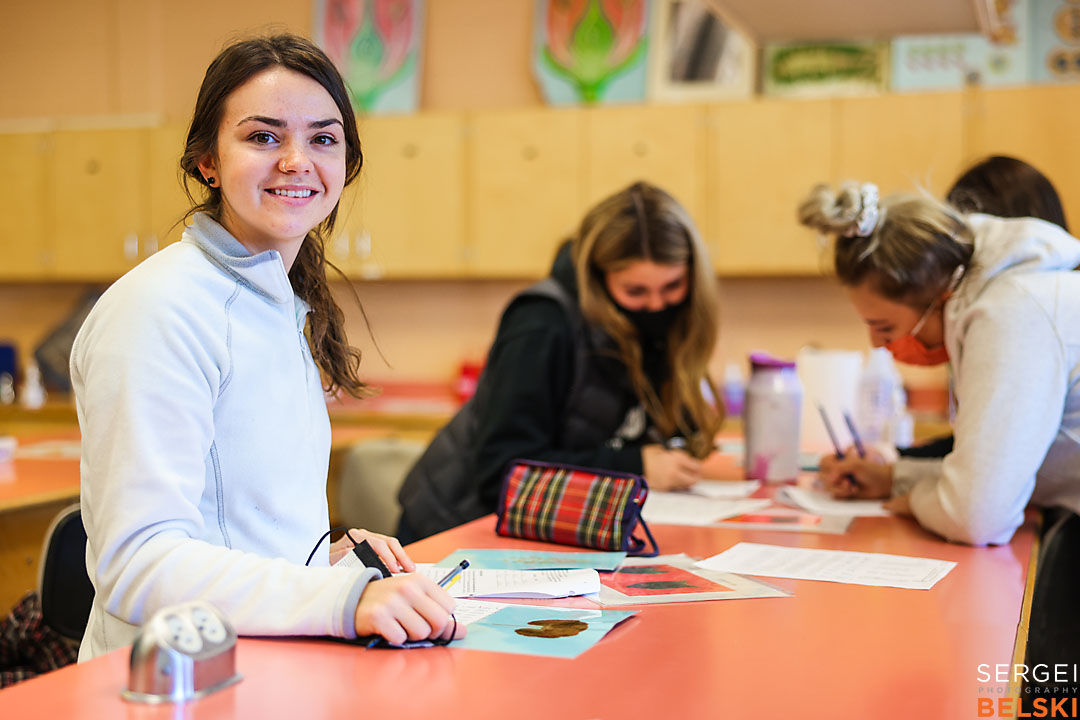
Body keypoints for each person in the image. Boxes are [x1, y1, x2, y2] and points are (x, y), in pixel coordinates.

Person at [70, 34, 462, 661]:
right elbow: (137, 563)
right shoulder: (159, 309)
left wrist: (323, 561)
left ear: (345, 165)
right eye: (263, 137)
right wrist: (339, 600)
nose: (296, 161)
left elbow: (232, 519)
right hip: (171, 684)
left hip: (269, 663)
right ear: (208, 162)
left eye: (322, 139)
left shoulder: (274, 303)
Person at [397, 181, 724, 542]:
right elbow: (505, 470)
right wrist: (636, 467)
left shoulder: (658, 324)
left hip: (546, 530)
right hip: (457, 527)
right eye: (636, 291)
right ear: (599, 278)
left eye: (673, 286)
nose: (657, 305)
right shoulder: (542, 322)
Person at [798, 180, 1080, 546]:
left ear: (940, 296)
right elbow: (1000, 472)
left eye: (884, 327)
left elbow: (977, 516)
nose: (877, 344)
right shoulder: (1006, 295)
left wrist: (913, 500)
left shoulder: (1013, 313)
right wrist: (894, 478)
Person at [899, 155, 1070, 460]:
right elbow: (984, 447)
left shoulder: (1013, 314)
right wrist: (899, 464)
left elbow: (991, 470)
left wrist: (903, 477)